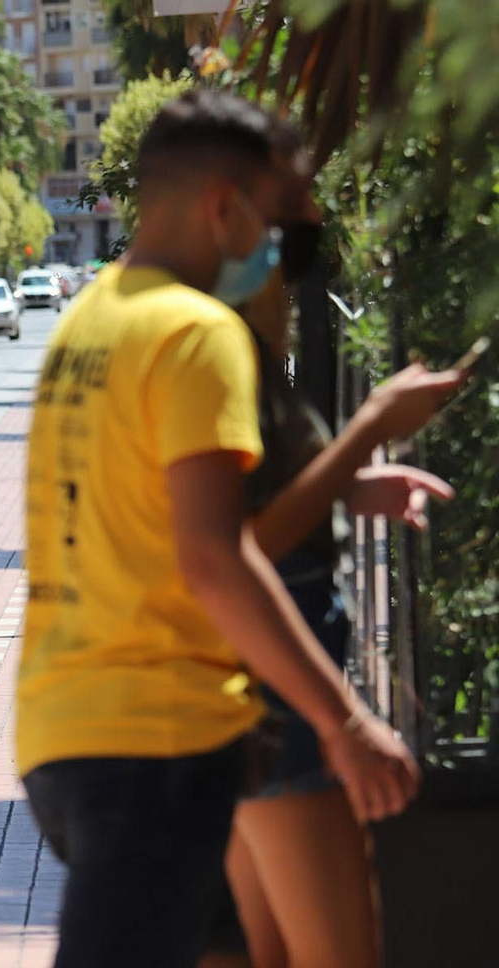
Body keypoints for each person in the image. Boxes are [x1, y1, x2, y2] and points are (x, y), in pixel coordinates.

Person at [16, 89, 422, 967]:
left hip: (63, 731)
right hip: (156, 743)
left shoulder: (88, 320)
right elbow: (214, 555)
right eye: (276, 217)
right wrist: (344, 722)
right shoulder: (196, 333)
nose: (281, 244)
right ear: (225, 206)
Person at [220, 149, 466, 968]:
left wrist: (350, 486)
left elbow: (246, 502)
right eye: (298, 208)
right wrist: (370, 426)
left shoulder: (222, 336)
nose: (316, 221)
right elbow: (234, 547)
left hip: (241, 700)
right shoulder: (217, 346)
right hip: (277, 704)